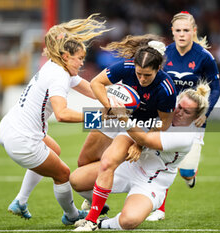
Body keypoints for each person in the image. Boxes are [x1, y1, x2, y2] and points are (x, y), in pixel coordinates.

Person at [0, 14, 110, 225]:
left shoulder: (56, 64)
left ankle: (21, 201)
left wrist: (112, 98)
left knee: (54, 150)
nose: (82, 62)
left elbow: (90, 89)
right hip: (22, 139)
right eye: (79, 58)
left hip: (9, 126)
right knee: (63, 174)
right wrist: (99, 118)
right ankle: (72, 216)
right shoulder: (59, 75)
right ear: (66, 55)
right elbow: (62, 114)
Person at [71, 83, 210, 231]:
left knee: (129, 221)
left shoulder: (185, 137)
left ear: (196, 117)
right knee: (76, 179)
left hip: (151, 181)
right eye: (179, 107)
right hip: (131, 165)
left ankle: (100, 223)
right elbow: (95, 82)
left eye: (187, 112)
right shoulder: (165, 107)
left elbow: (146, 139)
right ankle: (83, 210)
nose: (179, 112)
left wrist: (124, 118)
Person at [72, 34, 177, 231]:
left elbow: (164, 124)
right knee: (81, 167)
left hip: (140, 126)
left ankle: (92, 218)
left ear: (158, 69)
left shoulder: (166, 88)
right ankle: (96, 200)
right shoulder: (127, 66)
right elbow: (96, 82)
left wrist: (140, 143)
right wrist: (109, 106)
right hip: (115, 114)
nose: (142, 79)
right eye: (139, 74)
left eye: (148, 75)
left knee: (108, 162)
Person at [146, 11, 220, 221]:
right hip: (168, 115)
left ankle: (190, 177)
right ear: (172, 31)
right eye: (177, 30)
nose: (181, 34)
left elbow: (215, 89)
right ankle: (158, 209)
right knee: (161, 161)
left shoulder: (204, 57)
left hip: (191, 120)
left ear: (193, 31)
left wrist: (205, 112)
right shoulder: (164, 53)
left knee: (186, 172)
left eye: (186, 30)